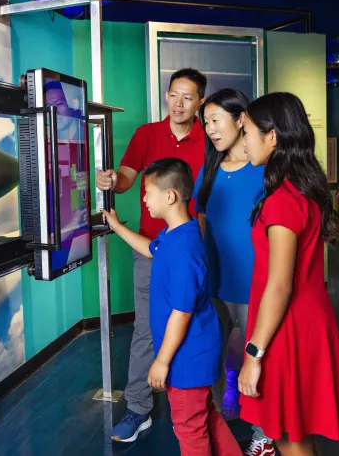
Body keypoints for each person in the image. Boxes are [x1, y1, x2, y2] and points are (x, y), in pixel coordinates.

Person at [102, 158, 241, 456]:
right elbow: (150, 249)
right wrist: (115, 226)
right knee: (205, 418)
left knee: (189, 429)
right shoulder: (177, 234)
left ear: (169, 196)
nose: (143, 199)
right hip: (195, 354)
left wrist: (161, 361)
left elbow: (182, 312)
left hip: (186, 360)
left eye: (147, 192)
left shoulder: (185, 251)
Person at [97, 68, 207, 442]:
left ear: (200, 103)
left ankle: (200, 404)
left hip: (196, 248)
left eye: (187, 97)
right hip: (152, 248)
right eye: (173, 94)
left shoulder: (210, 138)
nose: (178, 103)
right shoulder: (147, 134)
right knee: (146, 327)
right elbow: (126, 178)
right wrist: (114, 181)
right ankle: (138, 407)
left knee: (202, 321)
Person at [238, 92, 339, 456]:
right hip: (302, 320)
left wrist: (254, 355)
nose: (244, 142)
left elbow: (280, 285)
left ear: (272, 137)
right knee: (294, 430)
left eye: (248, 132)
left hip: (287, 328)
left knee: (289, 434)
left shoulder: (283, 200)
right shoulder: (300, 189)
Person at [192, 89, 275, 456]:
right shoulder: (209, 168)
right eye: (205, 122)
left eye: (215, 120)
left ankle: (263, 431)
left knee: (259, 358)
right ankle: (212, 428)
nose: (209, 129)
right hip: (216, 281)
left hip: (257, 283)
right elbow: (200, 218)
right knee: (209, 355)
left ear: (241, 119)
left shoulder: (266, 166)